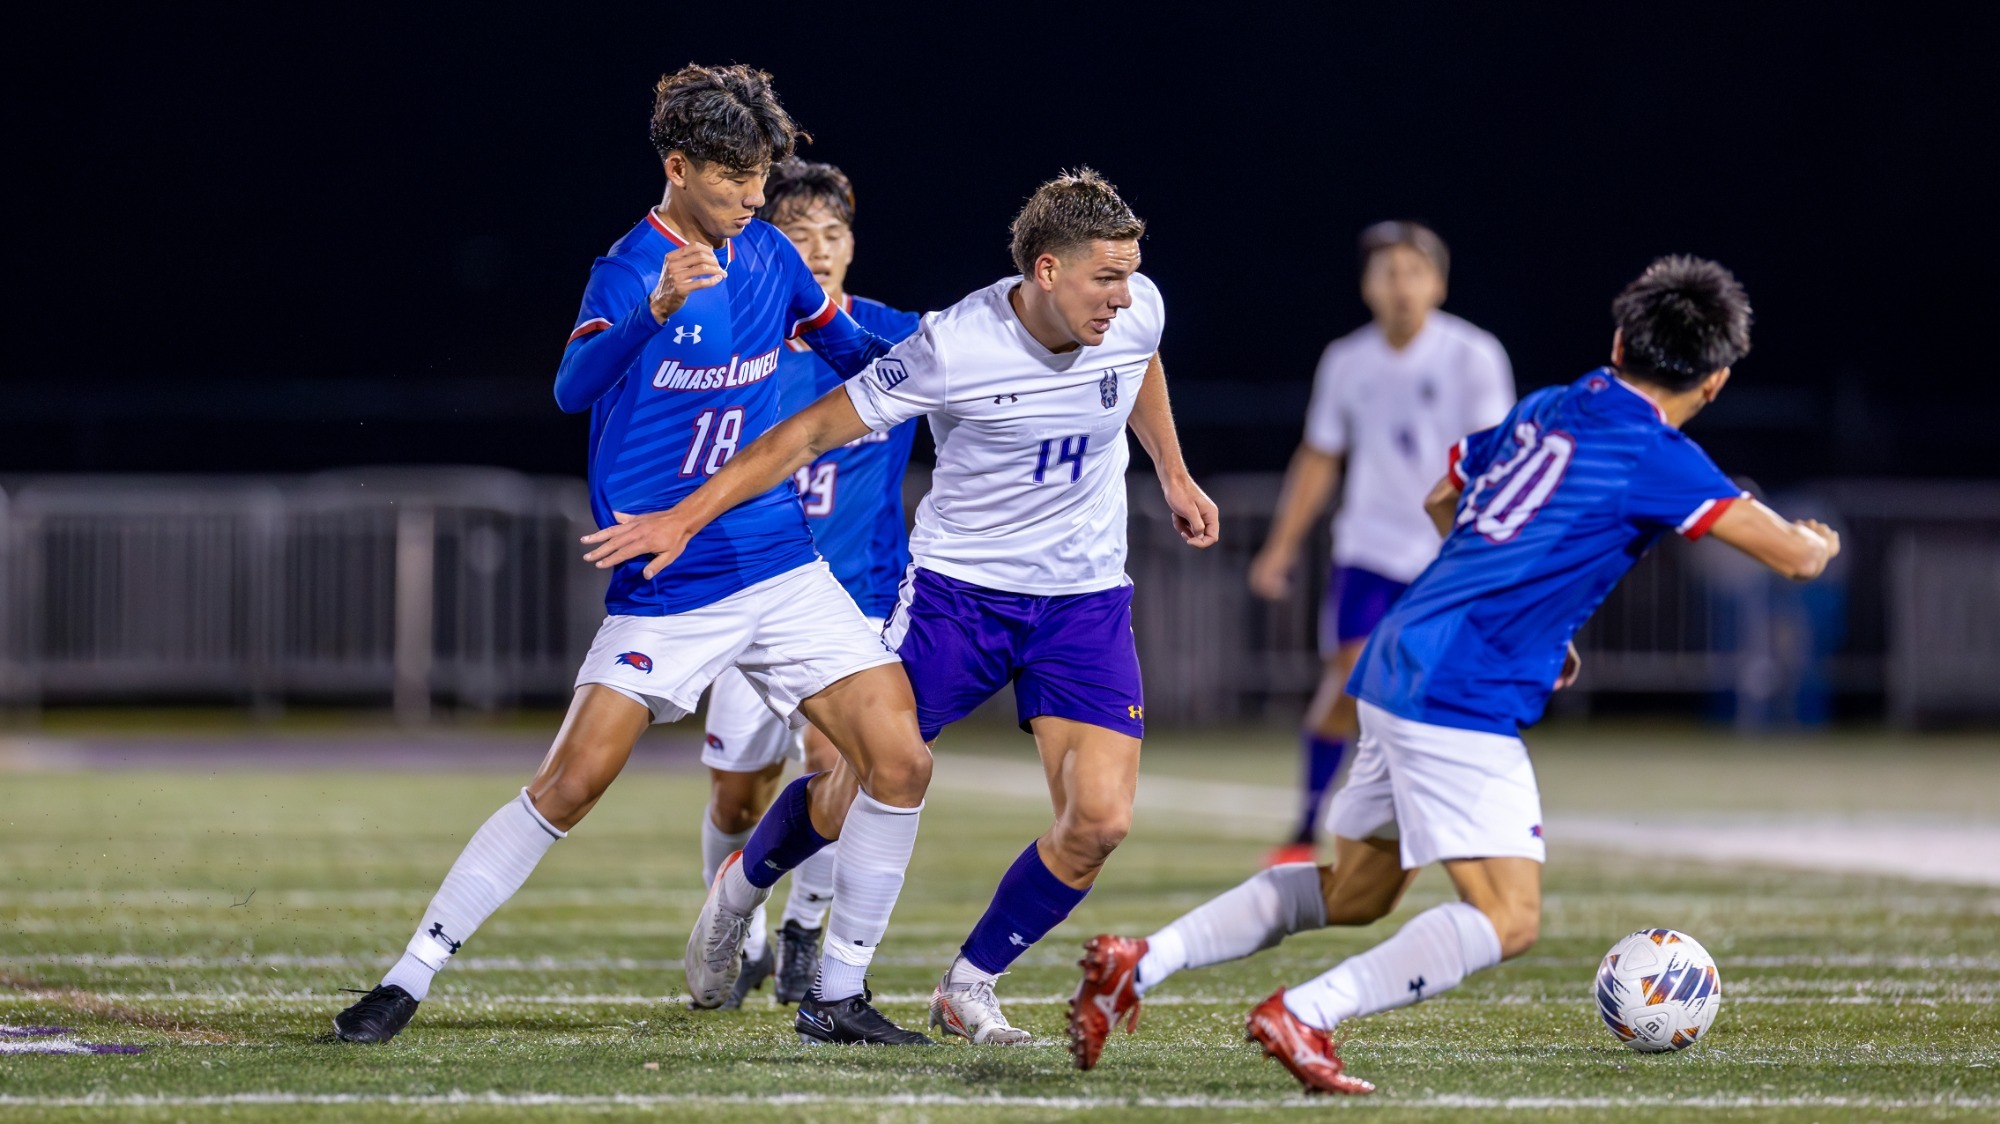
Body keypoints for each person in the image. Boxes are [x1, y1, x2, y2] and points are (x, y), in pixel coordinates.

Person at [1068, 256, 1840, 1092]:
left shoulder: (1556, 404)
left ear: (1619, 340)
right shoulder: (1659, 453)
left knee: (1359, 889)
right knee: (1508, 918)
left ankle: (1139, 962)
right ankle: (1307, 1013)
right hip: (1458, 689)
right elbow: (1794, 557)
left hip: (1403, 654)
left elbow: (1446, 494)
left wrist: (1514, 602)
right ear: (1717, 381)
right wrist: (1818, 541)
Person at [332, 63, 937, 1048]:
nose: (754, 198)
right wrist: (654, 307)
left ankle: (835, 991)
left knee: (898, 757)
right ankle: (406, 976)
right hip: (668, 583)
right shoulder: (627, 267)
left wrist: (960, 374)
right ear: (678, 168)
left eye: (760, 180)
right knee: (567, 784)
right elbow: (573, 388)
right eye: (736, 181)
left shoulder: (770, 258)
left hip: (780, 563)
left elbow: (849, 353)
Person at [584, 168, 1219, 1047]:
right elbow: (804, 433)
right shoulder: (956, 344)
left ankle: (970, 982)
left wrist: (1175, 474)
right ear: (1044, 271)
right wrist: (683, 519)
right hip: (960, 599)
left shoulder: (1133, 307)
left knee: (1101, 821)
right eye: (1103, 279)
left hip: (1084, 602)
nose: (1126, 296)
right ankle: (738, 890)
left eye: (1129, 276)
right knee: (855, 784)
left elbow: (1140, 358)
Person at [696, 157, 923, 1008]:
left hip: (857, 594)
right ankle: (736, 930)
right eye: (800, 236)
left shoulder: (893, 336)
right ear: (771, 248)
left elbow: (991, 349)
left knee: (844, 757)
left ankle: (803, 930)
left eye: (834, 235)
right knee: (737, 790)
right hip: (751, 588)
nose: (820, 250)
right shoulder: (742, 341)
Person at [1247, 222, 1514, 867]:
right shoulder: (1347, 360)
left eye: (1413, 271)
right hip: (1367, 551)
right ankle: (1305, 826)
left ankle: (1446, 829)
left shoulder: (1473, 355)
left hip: (1445, 555)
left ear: (1438, 284)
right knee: (1352, 682)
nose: (1401, 286)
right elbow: (1319, 458)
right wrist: (1280, 547)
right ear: (1368, 287)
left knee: (1442, 690)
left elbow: (1497, 462)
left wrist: (1495, 556)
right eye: (1387, 272)